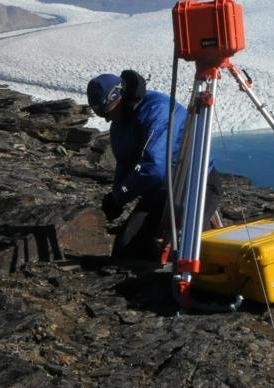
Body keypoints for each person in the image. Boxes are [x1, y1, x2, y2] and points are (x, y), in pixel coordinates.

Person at [87, 70, 222, 260]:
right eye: (102, 115)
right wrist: (116, 195)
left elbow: (155, 167)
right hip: (160, 191)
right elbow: (124, 162)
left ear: (118, 97)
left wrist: (120, 198)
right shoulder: (121, 121)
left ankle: (206, 221)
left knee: (184, 250)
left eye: (108, 112)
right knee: (126, 251)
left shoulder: (157, 110)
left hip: (194, 182)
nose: (108, 119)